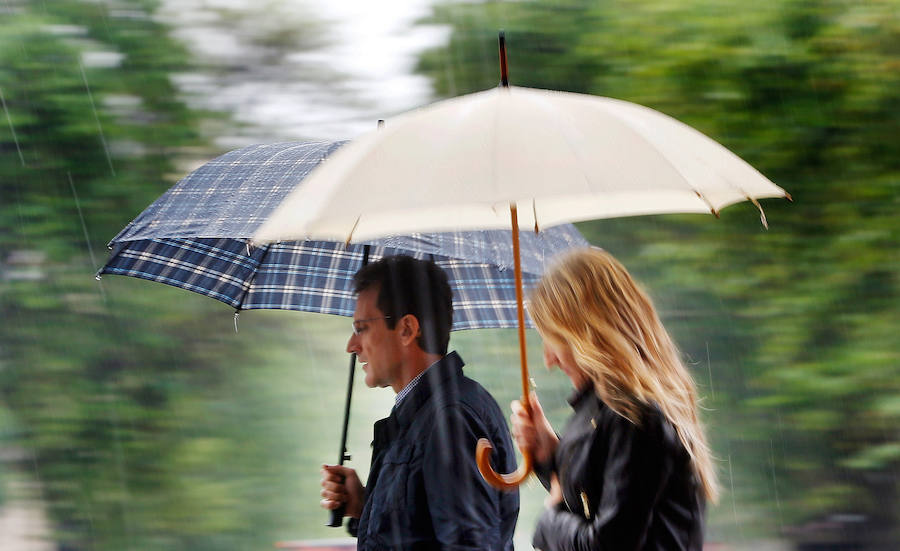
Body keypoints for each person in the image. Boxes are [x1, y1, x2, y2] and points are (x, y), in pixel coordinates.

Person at [510, 248, 719, 551]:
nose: (549, 360)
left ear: (588, 334)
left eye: (555, 340)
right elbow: (595, 500)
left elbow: (608, 544)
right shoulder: (608, 411)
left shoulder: (636, 417)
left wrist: (547, 524)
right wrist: (550, 456)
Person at [320, 255, 519, 551]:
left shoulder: (450, 421)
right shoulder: (422, 417)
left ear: (407, 330)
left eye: (361, 328)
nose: (352, 346)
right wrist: (367, 507)